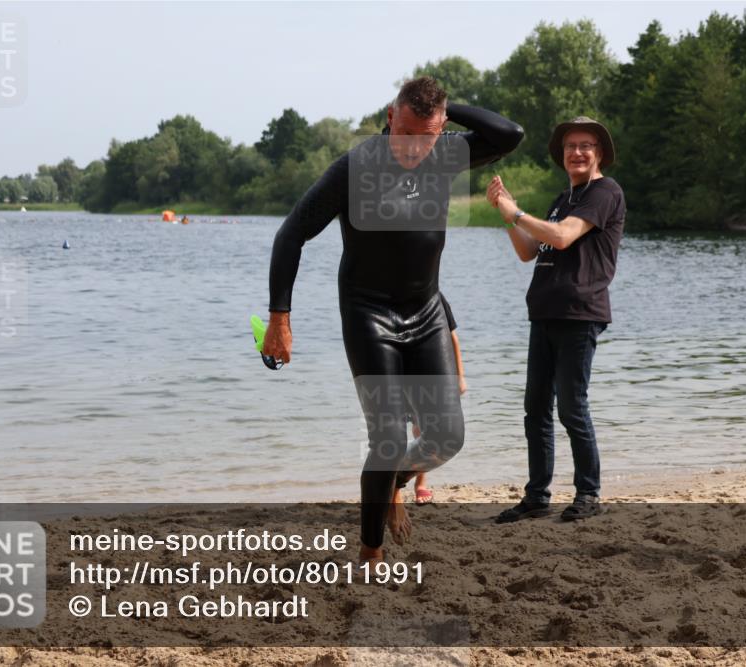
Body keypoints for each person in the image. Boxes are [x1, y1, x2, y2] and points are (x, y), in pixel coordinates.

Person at [263, 77, 523, 562]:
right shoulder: (355, 167)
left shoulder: (444, 153)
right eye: (405, 132)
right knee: (388, 440)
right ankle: (370, 552)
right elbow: (291, 234)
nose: (413, 147)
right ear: (389, 117)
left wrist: (443, 114)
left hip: (425, 313)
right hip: (369, 313)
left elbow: (510, 134)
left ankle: (387, 489)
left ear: (440, 128)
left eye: (425, 135)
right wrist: (280, 316)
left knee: (447, 438)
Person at [488, 116, 625, 522]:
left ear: (599, 153)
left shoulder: (604, 192)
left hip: (580, 313)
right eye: (570, 146)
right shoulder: (562, 198)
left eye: (585, 146)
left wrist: (517, 212)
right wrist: (505, 212)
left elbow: (563, 236)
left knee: (571, 407)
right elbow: (530, 250)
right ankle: (537, 496)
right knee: (536, 409)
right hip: (545, 311)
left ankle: (589, 493)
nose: (577, 153)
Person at [410, 294, 467, 505]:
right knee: (404, 429)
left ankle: (420, 484)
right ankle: (393, 484)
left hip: (431, 369)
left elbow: (453, 338)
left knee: (424, 431)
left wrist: (460, 377)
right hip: (404, 370)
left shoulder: (436, 297)